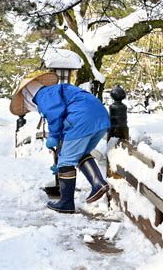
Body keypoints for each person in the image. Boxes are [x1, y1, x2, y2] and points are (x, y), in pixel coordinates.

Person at [10, 72, 111, 213]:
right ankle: (98, 183)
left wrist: (54, 137)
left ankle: (66, 202)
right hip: (101, 118)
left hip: (81, 118)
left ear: (28, 96)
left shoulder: (43, 95)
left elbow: (54, 114)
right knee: (80, 153)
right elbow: (64, 113)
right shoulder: (55, 91)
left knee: (66, 161)